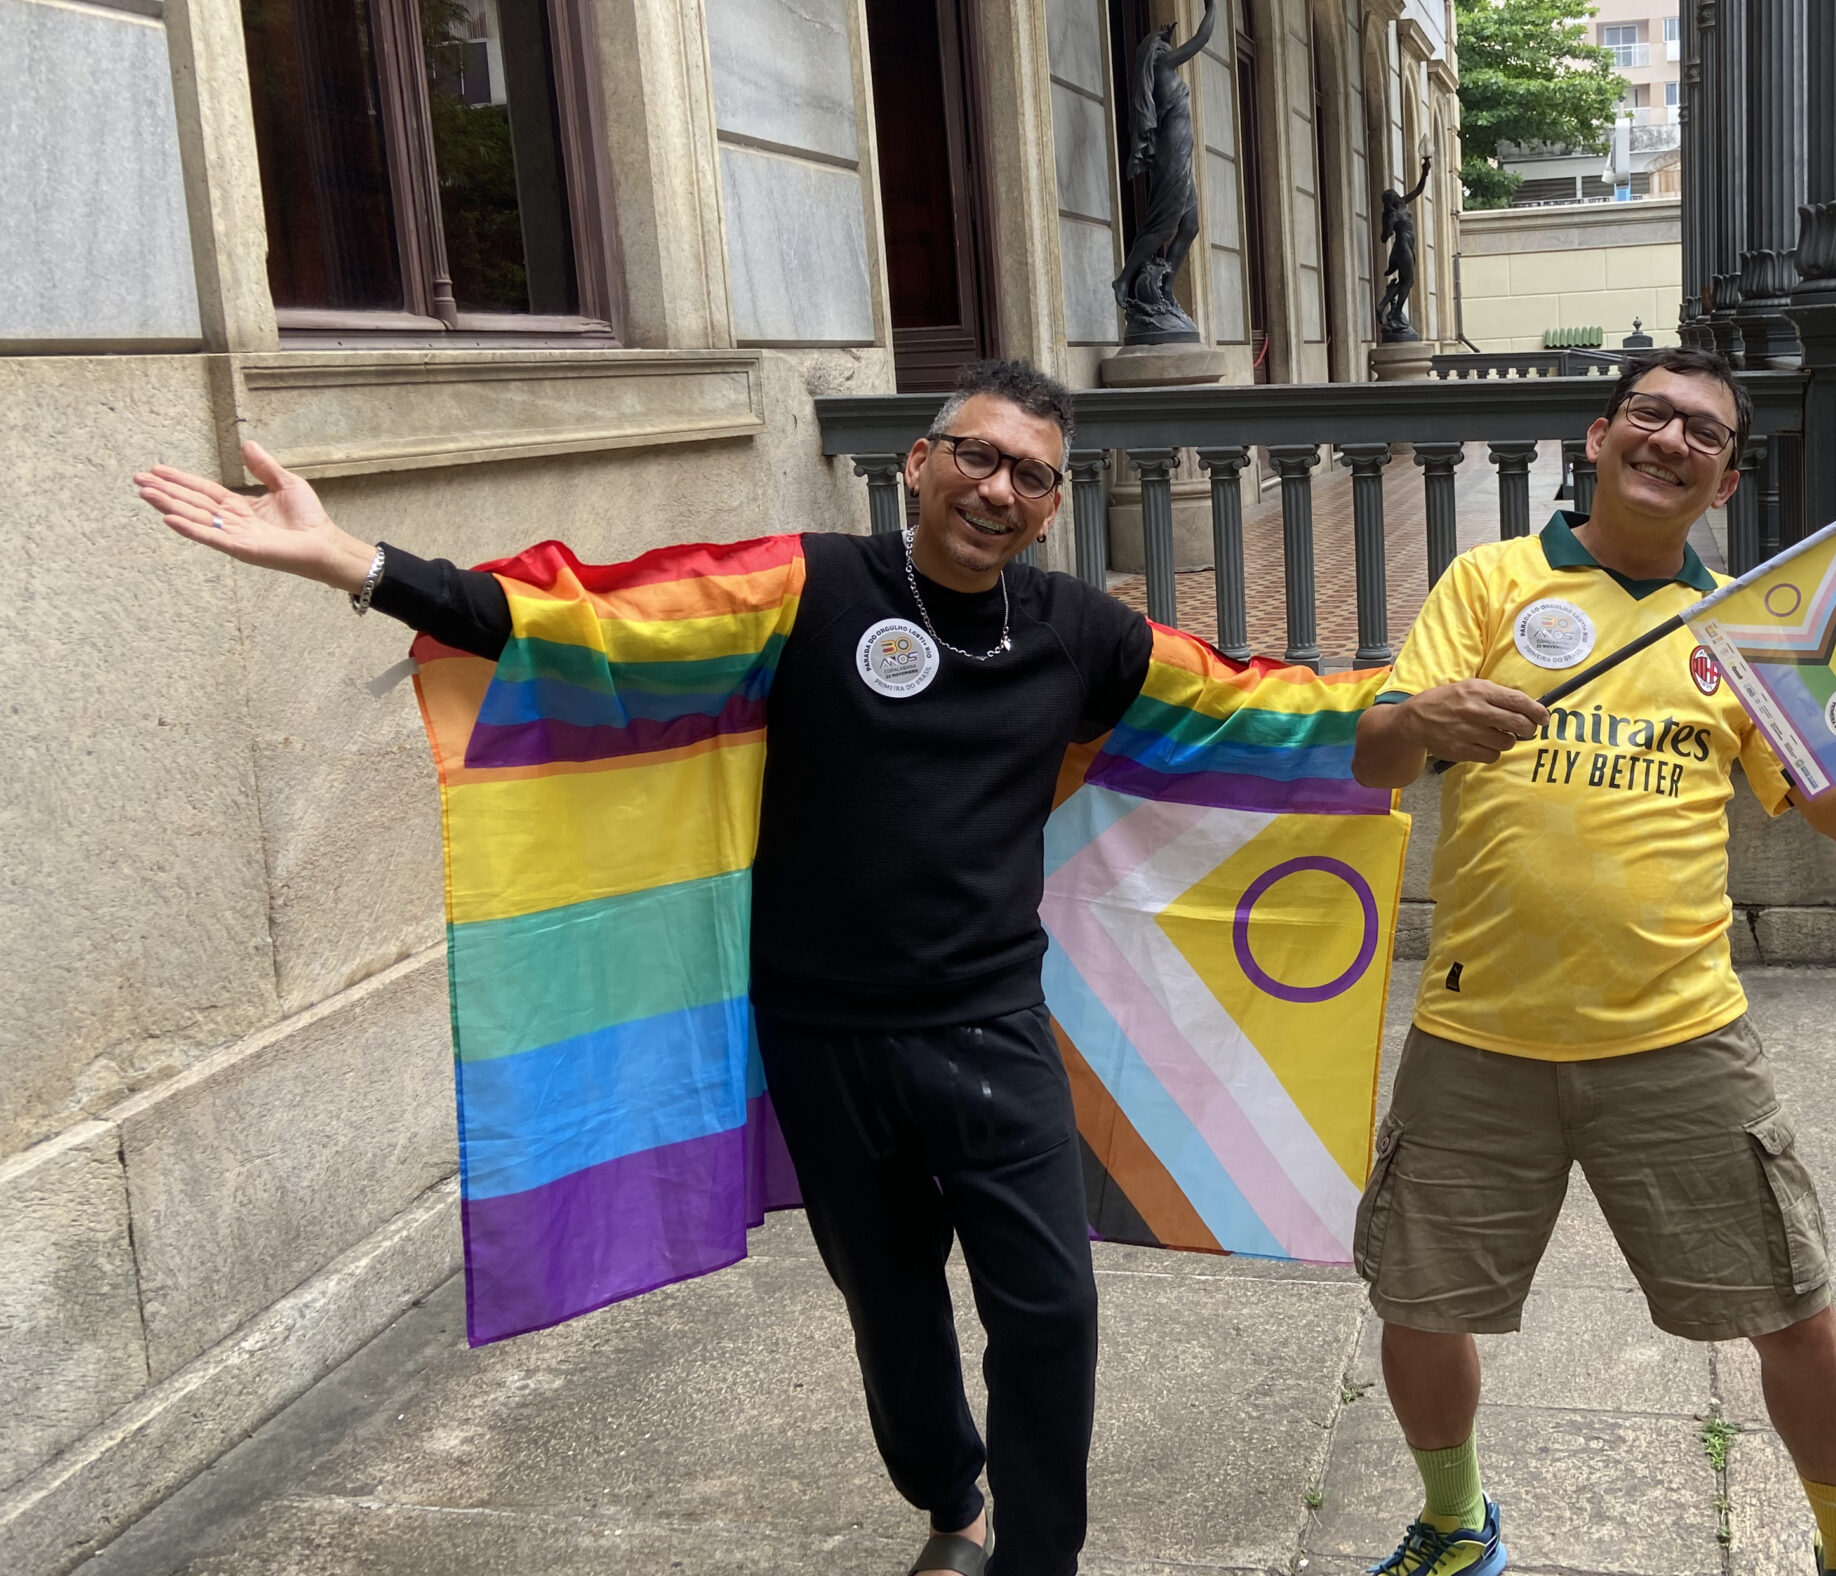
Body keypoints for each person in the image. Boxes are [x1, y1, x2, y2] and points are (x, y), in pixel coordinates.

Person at [135, 360, 1155, 1576]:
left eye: (1030, 476)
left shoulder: (1085, 636)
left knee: (1051, 1313)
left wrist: (1404, 723)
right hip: (823, 1038)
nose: (997, 489)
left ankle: (1039, 1563)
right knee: (891, 1308)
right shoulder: (806, 587)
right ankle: (952, 1501)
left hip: (991, 1034)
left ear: (1052, 506)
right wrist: (357, 565)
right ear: (922, 463)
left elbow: (1247, 716)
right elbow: (595, 618)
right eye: (976, 457)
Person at [1347, 348, 1836, 1576]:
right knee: (1419, 1301)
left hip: (1680, 1038)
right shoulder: (1489, 583)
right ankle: (1454, 1524)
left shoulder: (1750, 636)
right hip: (1476, 1033)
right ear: (1598, 437)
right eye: (1649, 415)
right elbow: (1377, 759)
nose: (1669, 439)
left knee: (1793, 1312)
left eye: (1701, 433)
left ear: (1724, 484)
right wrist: (1419, 720)